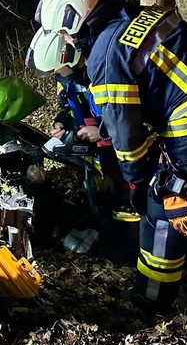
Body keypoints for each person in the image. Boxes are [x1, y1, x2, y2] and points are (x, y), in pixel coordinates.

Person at [29, 0, 187, 313]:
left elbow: (127, 137)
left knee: (161, 211)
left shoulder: (105, 53)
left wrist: (141, 187)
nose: (65, 40)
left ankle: (152, 300)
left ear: (74, 15)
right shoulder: (139, 15)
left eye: (64, 32)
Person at [26, 30, 139, 261]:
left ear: (70, 57)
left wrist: (102, 131)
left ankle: (130, 253)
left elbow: (128, 114)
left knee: (126, 205)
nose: (56, 75)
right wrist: (61, 122)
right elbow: (69, 106)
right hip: (93, 152)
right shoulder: (65, 78)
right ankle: (105, 244)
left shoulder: (102, 73)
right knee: (97, 200)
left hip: (120, 151)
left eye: (57, 69)